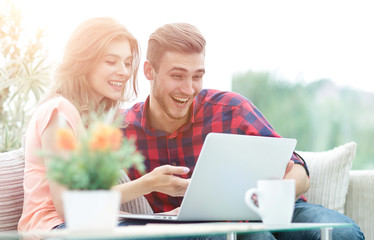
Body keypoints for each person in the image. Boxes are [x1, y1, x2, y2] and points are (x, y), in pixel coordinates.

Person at [121, 23, 365, 239]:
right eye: (177, 75)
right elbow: (95, 199)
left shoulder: (231, 109)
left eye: (197, 76)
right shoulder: (124, 131)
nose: (188, 89)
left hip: (268, 212)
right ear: (149, 71)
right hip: (200, 228)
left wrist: (275, 195)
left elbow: (298, 169)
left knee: (344, 232)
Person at [18, 17, 189, 232]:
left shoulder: (90, 124)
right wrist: (149, 183)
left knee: (197, 232)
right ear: (83, 62)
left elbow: (93, 209)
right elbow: (67, 207)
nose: (125, 72)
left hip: (83, 227)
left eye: (127, 63)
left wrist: (160, 219)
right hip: (53, 229)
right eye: (111, 61)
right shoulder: (59, 111)